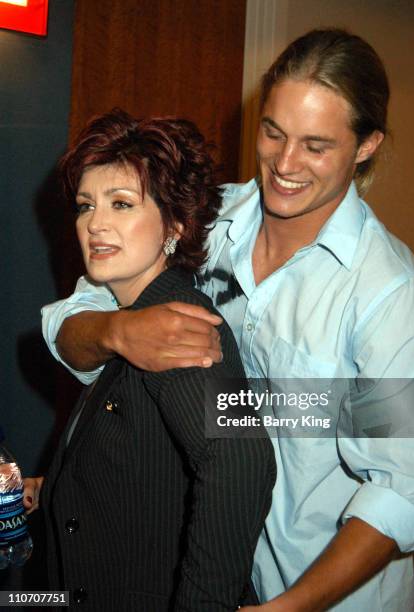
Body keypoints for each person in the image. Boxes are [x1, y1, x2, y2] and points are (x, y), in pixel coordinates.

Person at [41, 29, 414, 611]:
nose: (284, 164)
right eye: (273, 132)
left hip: (315, 592)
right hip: (204, 560)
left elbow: (405, 493)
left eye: (316, 145)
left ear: (366, 145)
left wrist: (289, 608)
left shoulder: (401, 300)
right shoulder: (206, 220)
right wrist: (116, 331)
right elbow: (73, 315)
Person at [32, 109, 276, 611]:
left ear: (175, 226)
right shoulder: (129, 318)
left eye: (121, 204)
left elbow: (242, 460)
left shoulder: (178, 325)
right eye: (85, 206)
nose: (95, 224)